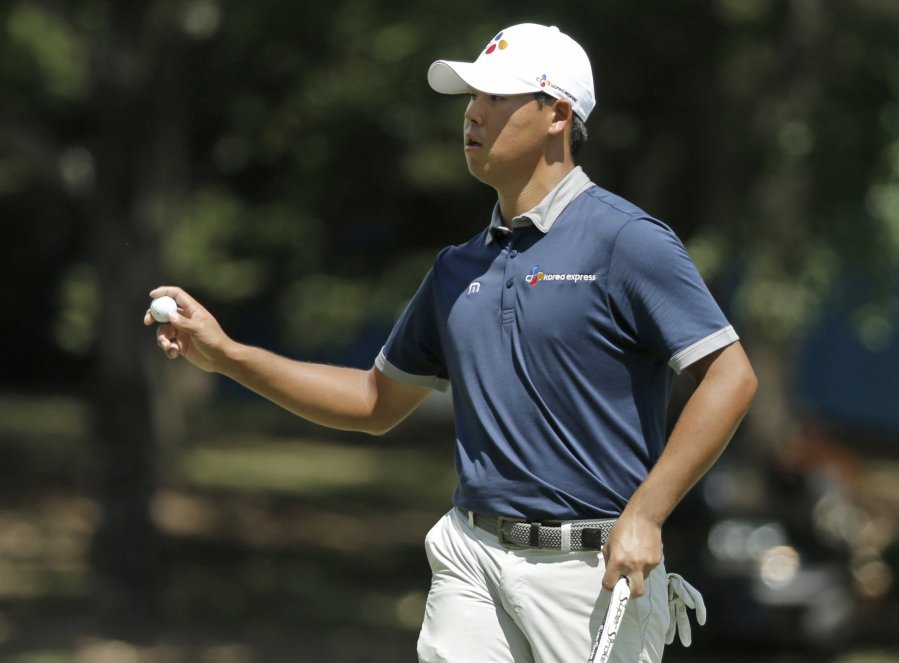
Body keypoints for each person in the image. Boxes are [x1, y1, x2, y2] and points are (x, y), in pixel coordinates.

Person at [146, 22, 757, 662]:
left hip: (590, 570)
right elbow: (373, 401)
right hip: (472, 557)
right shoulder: (456, 269)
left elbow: (731, 376)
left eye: (496, 97)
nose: (472, 112)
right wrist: (227, 356)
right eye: (471, 97)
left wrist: (648, 513)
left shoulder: (627, 240)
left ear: (557, 114)